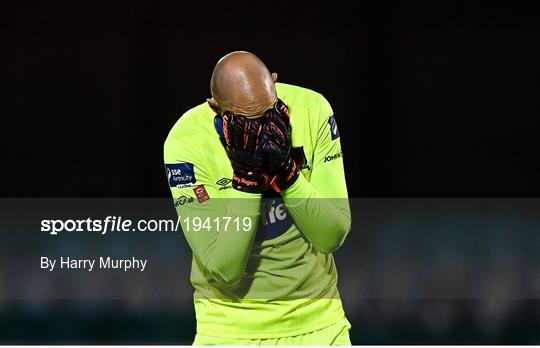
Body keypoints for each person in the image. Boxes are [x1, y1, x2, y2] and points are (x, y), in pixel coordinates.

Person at [164, 51, 351, 345]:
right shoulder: (185, 143)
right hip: (230, 332)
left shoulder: (314, 109)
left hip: (320, 326)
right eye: (246, 121)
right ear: (216, 108)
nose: (262, 130)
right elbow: (224, 269)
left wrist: (287, 174)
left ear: (274, 84)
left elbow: (331, 236)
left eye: (269, 112)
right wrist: (246, 181)